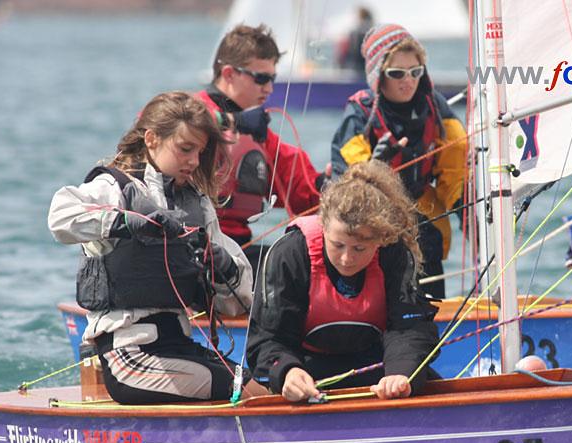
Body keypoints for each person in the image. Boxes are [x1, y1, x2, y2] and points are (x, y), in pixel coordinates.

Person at [48, 91, 255, 404]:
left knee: (262, 388)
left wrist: (223, 264)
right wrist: (126, 223)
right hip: (128, 356)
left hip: (180, 346)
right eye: (185, 149)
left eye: (200, 152)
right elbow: (60, 217)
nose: (195, 161)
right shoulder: (114, 187)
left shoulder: (198, 204)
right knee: (240, 389)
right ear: (152, 139)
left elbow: (236, 305)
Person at [247, 160, 440, 402]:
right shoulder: (291, 254)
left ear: (380, 240)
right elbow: (267, 337)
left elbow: (409, 326)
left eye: (360, 248)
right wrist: (287, 371)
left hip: (379, 369)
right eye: (337, 245)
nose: (347, 259)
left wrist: (402, 372)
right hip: (307, 372)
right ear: (324, 227)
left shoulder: (393, 252)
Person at [331, 24, 467, 299]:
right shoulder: (360, 113)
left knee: (427, 239)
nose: (408, 80)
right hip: (372, 224)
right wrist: (373, 168)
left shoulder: (435, 108)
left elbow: (455, 168)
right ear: (378, 76)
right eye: (397, 73)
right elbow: (343, 182)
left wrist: (471, 216)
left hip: (423, 220)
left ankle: (431, 329)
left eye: (415, 72)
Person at [195, 23, 326, 272]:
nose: (269, 88)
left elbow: (300, 188)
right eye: (261, 78)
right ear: (230, 73)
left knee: (303, 268)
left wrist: (330, 184)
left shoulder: (259, 134)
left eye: (272, 79)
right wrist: (232, 121)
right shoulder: (189, 111)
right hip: (191, 247)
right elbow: (168, 127)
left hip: (239, 246)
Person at [336, 7, 374, 78]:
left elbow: (347, 53)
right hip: (366, 70)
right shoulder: (374, 31)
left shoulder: (354, 33)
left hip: (356, 69)